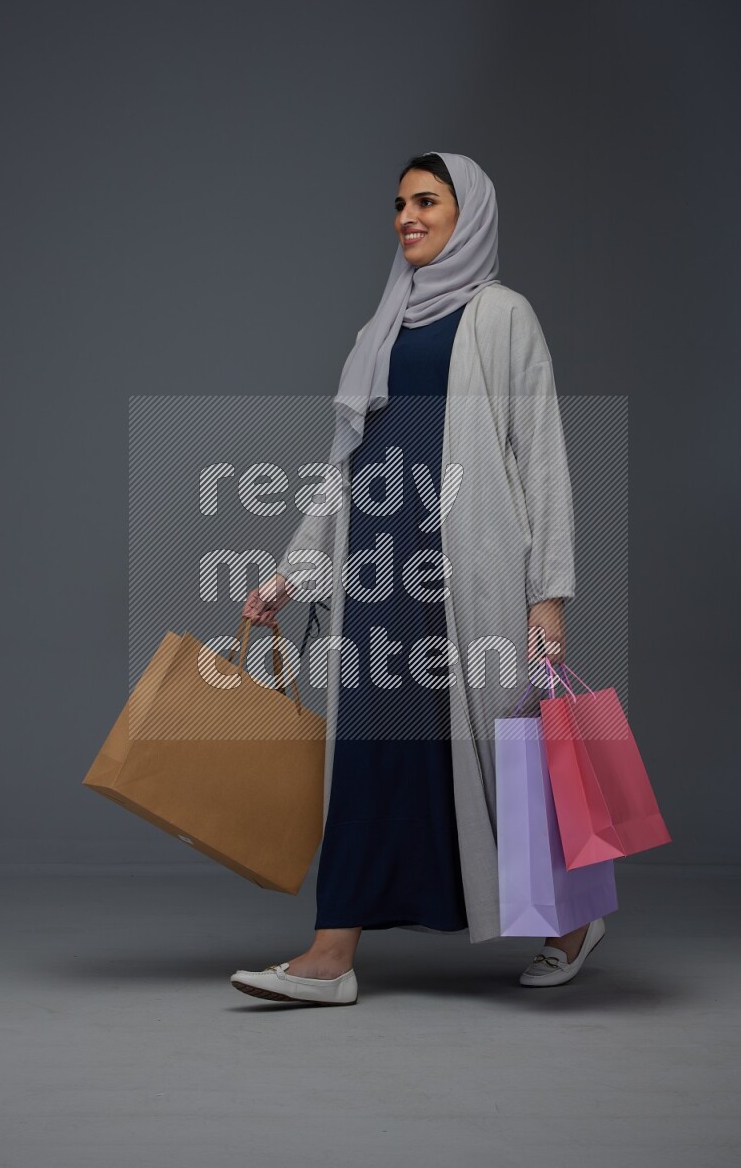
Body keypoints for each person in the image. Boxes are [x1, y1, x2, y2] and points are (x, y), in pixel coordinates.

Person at [230, 152, 607, 1005]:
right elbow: (344, 467)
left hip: (475, 569)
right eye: (400, 202)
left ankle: (571, 920)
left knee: (501, 751)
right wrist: (292, 575)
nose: (407, 215)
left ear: (466, 212)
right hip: (379, 572)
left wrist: (549, 594)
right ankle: (331, 953)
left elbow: (540, 457)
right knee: (368, 748)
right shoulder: (380, 330)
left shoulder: (506, 318)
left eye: (427, 200)